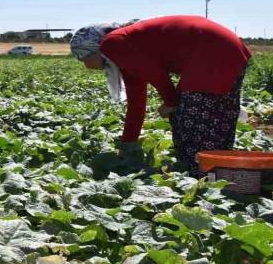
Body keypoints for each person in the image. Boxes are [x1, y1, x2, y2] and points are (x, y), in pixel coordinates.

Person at [69, 15, 251, 173]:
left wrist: (171, 102)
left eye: (82, 57)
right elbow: (136, 104)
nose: (85, 65)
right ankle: (221, 169)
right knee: (215, 117)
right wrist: (127, 146)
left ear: (93, 48)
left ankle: (203, 174)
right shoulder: (126, 48)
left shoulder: (113, 43)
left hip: (210, 51)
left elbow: (156, 74)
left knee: (191, 121)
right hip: (227, 48)